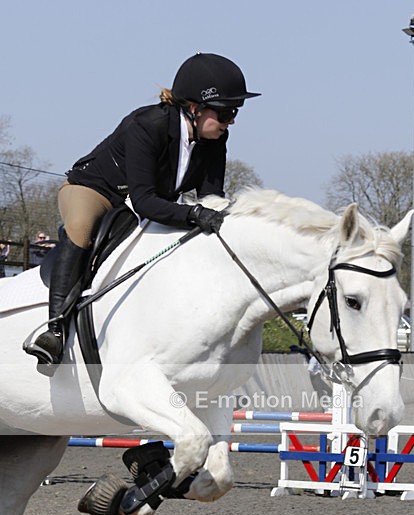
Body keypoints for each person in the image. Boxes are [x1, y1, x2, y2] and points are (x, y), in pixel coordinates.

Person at [24, 52, 260, 366]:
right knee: (80, 227)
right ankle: (54, 329)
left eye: (235, 112)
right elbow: (146, 202)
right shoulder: (148, 124)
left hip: (147, 202)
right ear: (194, 108)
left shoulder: (216, 139)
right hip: (97, 191)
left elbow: (211, 197)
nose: (231, 121)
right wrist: (193, 214)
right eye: (226, 112)